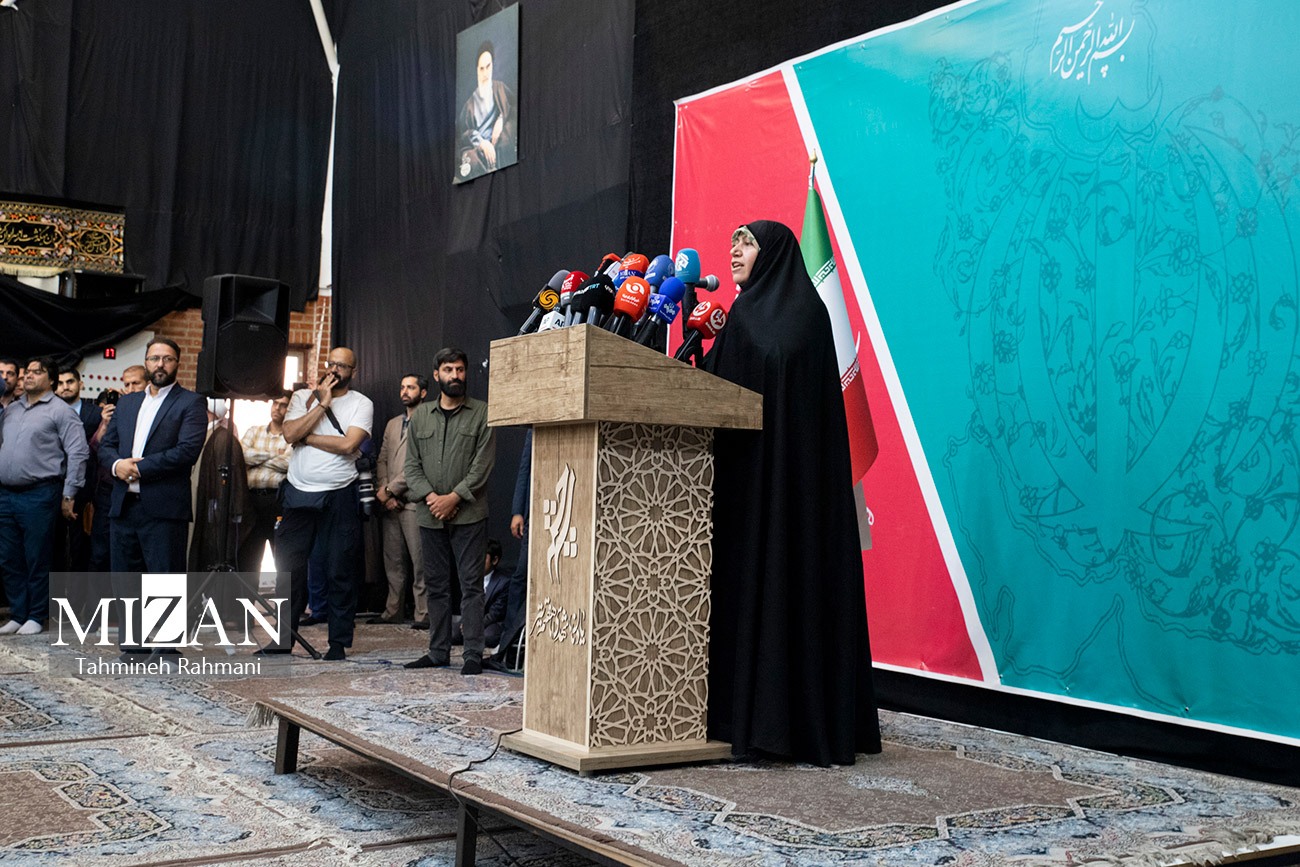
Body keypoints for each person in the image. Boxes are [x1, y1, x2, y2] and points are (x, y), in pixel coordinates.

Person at [704, 220, 882, 767]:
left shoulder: (806, 317)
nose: (735, 250)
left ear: (776, 252)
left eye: (747, 242)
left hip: (797, 498)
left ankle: (787, 724)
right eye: (732, 242)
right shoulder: (743, 316)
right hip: (751, 492)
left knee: (792, 588)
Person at [99, 339, 208, 660]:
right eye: (154, 358)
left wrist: (139, 468)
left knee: (165, 577)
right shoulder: (128, 403)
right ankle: (134, 645)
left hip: (164, 506)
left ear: (177, 363)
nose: (160, 364)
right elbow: (107, 446)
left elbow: (187, 451)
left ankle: (166, 648)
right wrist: (117, 466)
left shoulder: (191, 402)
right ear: (146, 362)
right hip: (124, 504)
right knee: (126, 579)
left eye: (167, 359)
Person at [269, 348, 373, 661]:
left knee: (339, 568)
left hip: (339, 494)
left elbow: (349, 444)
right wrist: (322, 404)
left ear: (353, 371)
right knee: (288, 570)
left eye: (342, 365)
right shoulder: (302, 398)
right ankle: (281, 640)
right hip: (298, 493)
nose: (335, 369)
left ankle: (338, 643)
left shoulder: (361, 403)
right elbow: (290, 433)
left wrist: (308, 437)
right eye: (331, 363)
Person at [403, 347, 495, 674]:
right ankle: (438, 651)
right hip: (430, 516)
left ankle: (472, 654)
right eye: (448, 370)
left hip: (469, 515)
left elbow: (482, 465)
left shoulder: (483, 413)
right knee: (437, 586)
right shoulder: (421, 417)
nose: (455, 375)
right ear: (437, 374)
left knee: (471, 586)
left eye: (460, 369)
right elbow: (411, 466)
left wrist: (453, 498)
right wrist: (433, 498)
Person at [0, 357, 89, 635]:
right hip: (6, 493)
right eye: (27, 372)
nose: (28, 376)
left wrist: (69, 494)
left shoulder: (61, 411)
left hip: (39, 493)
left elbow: (78, 452)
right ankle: (18, 613)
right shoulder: (12, 409)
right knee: (8, 557)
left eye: (37, 372)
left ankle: (36, 615)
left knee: (36, 556)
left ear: (51, 379)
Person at [372, 374, 428, 625]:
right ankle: (393, 610)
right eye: (402, 387)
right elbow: (382, 458)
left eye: (411, 387)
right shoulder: (393, 423)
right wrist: (385, 492)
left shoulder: (429, 419)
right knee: (393, 561)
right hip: (390, 504)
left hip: (414, 502)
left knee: (420, 562)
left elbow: (420, 462)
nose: (405, 391)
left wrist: (391, 490)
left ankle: (423, 613)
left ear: (423, 392)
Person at [239, 392, 292, 574]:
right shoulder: (255, 431)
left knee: (283, 561)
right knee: (248, 560)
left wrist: (257, 460)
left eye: (283, 405)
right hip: (251, 501)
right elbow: (242, 455)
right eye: (275, 403)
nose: (277, 408)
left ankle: (284, 594)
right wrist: (274, 454)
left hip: (277, 501)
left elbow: (289, 463)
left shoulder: (292, 437)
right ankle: (246, 594)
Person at [456, 40, 516, 180]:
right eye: (481, 69)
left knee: (508, 139)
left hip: (499, 143)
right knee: (470, 160)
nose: (485, 73)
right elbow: (463, 133)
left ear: (492, 66)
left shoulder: (500, 88)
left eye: (488, 67)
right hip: (479, 150)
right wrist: (482, 143)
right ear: (477, 70)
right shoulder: (469, 104)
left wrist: (501, 119)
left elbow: (513, 107)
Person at [452, 539, 506, 648]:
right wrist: (467, 621)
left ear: (494, 560)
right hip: (471, 618)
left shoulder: (503, 583)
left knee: (489, 636)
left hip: (490, 623)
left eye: (482, 558)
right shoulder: (470, 577)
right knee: (451, 634)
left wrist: (476, 624)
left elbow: (496, 613)